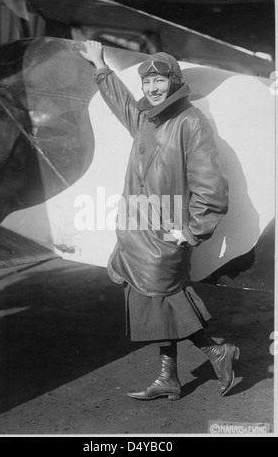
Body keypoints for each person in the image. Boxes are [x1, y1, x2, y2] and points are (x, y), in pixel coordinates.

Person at [80, 40, 240, 401]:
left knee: (161, 298)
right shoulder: (145, 118)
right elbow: (120, 101)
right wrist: (100, 65)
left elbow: (211, 186)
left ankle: (216, 351)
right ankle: (169, 375)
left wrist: (193, 230)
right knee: (147, 298)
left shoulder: (190, 122)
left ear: (174, 81)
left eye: (159, 81)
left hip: (166, 233)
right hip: (135, 230)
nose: (152, 89)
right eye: (146, 83)